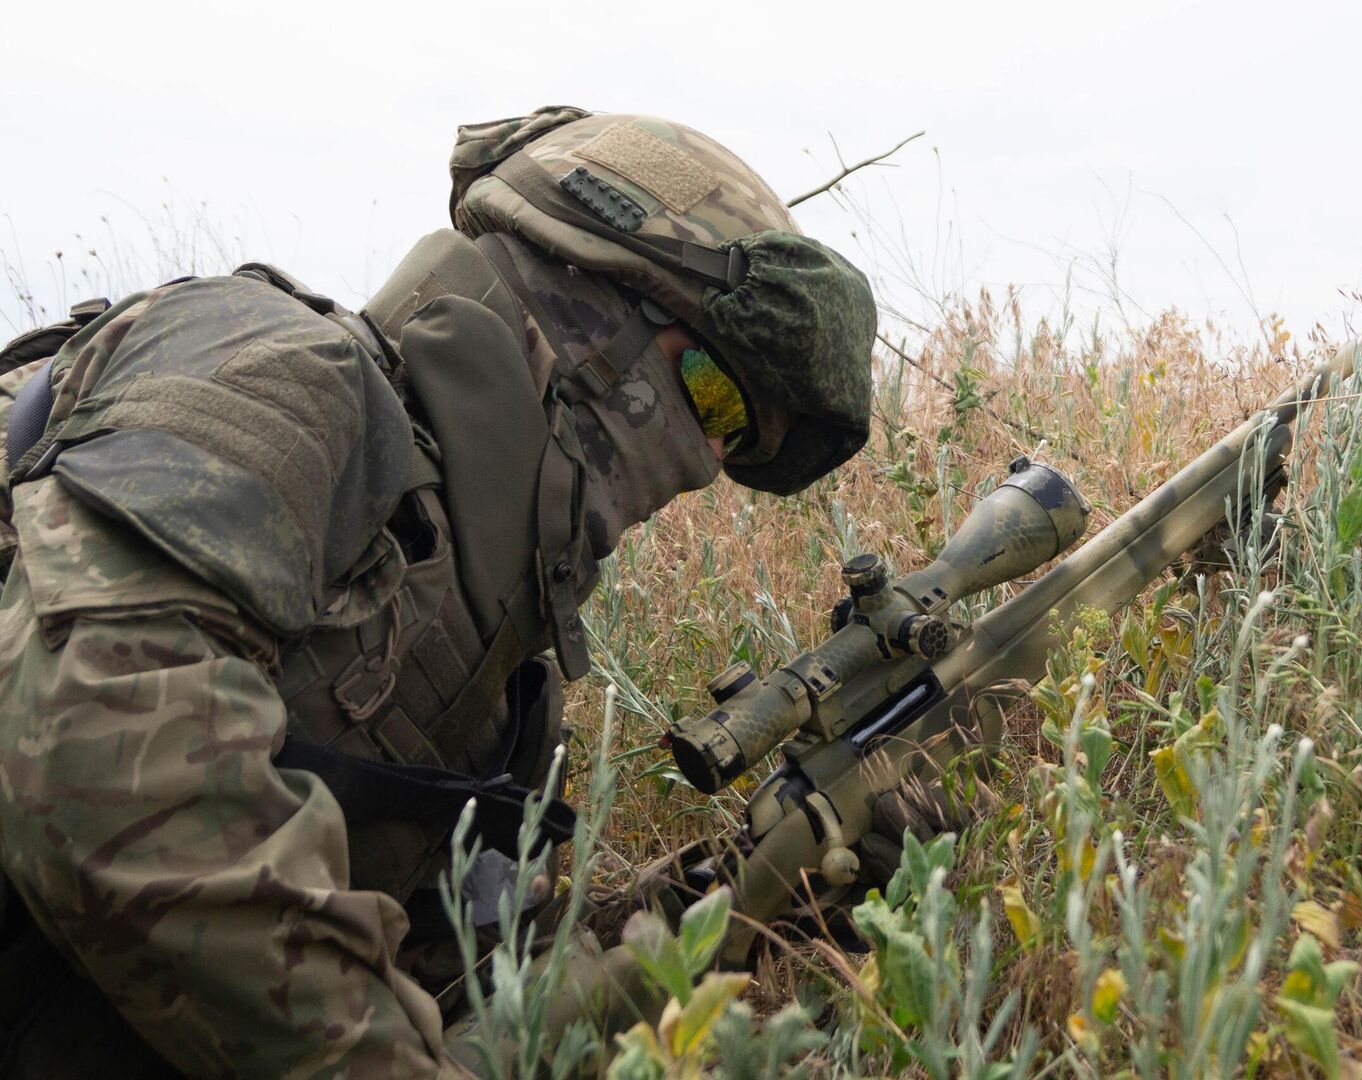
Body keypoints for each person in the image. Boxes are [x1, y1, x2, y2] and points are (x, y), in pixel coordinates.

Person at [0, 106, 877, 1078]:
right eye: (715, 398)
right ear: (579, 309)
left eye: (739, 441)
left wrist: (743, 895)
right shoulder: (280, 379)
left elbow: (467, 995)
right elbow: (100, 759)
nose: (710, 461)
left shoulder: (502, 694)